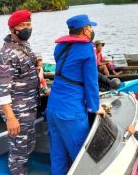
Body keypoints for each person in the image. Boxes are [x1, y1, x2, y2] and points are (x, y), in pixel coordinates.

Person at [46, 14, 106, 174]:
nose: (92, 30)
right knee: (81, 157)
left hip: (52, 107)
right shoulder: (87, 49)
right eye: (91, 27)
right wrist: (94, 107)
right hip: (70, 111)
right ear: (86, 30)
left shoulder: (60, 47)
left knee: (58, 154)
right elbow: (91, 81)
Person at [0, 10, 39, 175]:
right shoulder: (5, 55)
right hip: (17, 112)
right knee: (18, 152)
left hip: (29, 106)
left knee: (27, 145)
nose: (27, 28)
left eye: (29, 24)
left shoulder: (24, 46)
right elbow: (0, 90)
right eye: (23, 25)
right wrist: (11, 118)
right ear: (13, 29)